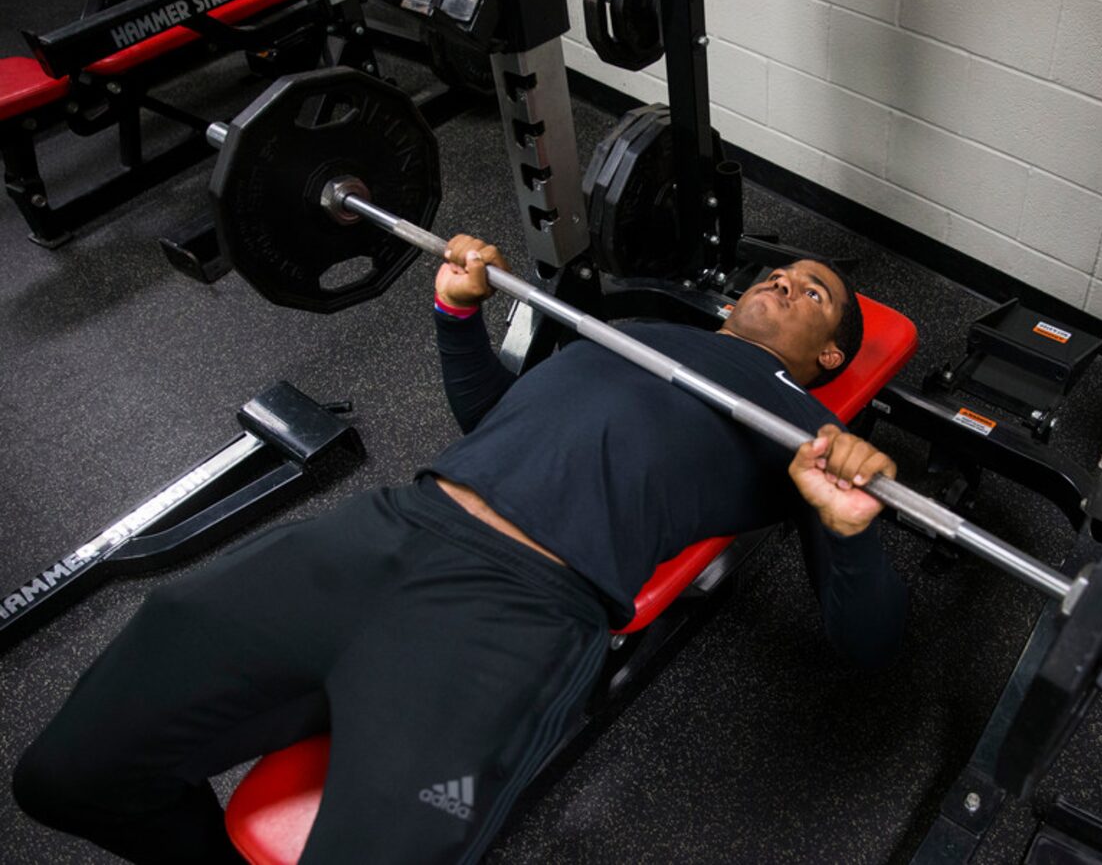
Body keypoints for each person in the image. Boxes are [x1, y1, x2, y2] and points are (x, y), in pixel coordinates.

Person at [13, 236, 908, 864]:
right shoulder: (626, 330)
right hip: (390, 529)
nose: (786, 284)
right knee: (66, 775)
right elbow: (494, 422)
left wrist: (851, 529)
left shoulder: (809, 428)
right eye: (780, 274)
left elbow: (866, 643)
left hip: (519, 610)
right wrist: (454, 315)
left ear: (829, 356)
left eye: (813, 293)